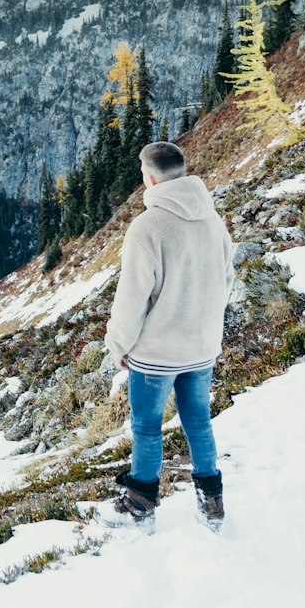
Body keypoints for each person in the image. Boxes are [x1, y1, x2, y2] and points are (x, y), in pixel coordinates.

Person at [103, 140, 237, 530]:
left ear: (149, 177)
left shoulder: (147, 227)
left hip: (157, 354)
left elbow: (132, 297)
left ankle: (141, 499)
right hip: (201, 347)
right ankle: (211, 500)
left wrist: (119, 344)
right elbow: (226, 278)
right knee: (198, 422)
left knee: (146, 427)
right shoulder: (213, 220)